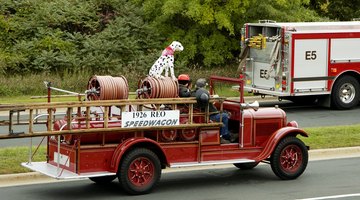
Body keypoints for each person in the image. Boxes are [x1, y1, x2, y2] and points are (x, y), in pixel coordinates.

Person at [192, 78, 236, 144]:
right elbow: (208, 106)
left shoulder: (194, 93)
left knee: (223, 113)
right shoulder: (203, 95)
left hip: (203, 113)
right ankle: (224, 136)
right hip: (209, 116)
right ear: (204, 86)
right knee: (224, 116)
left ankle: (229, 134)